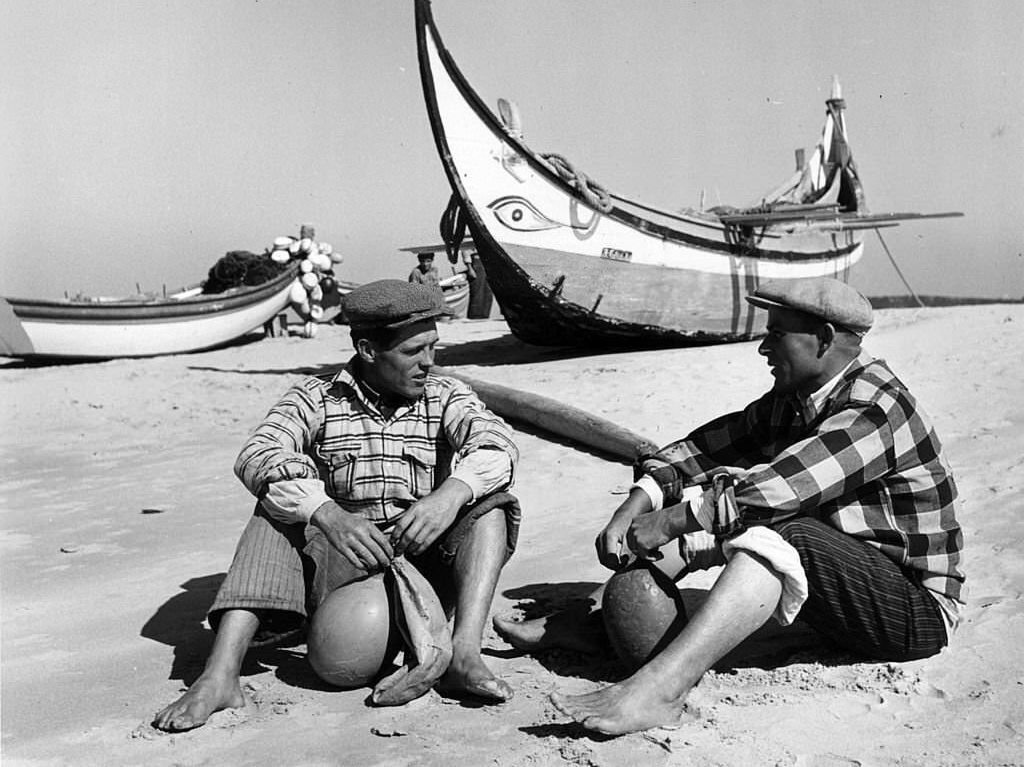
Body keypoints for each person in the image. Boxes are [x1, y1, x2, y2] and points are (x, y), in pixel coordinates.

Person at [495, 276, 964, 736]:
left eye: (777, 333)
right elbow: (700, 451)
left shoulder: (873, 408)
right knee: (726, 522)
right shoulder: (797, 400)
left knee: (778, 528)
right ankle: (588, 621)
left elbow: (777, 491)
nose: (764, 348)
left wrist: (674, 519)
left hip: (912, 612)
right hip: (837, 593)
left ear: (822, 339)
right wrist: (637, 505)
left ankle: (661, 691)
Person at [154, 280, 521, 732]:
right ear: (368, 350)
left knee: (493, 504)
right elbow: (257, 454)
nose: (430, 362)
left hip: (421, 562)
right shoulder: (315, 398)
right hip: (342, 564)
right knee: (275, 510)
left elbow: (498, 446)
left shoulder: (447, 396)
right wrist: (326, 513)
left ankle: (464, 654)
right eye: (414, 352)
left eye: (433, 347)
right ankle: (220, 676)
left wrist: (450, 495)